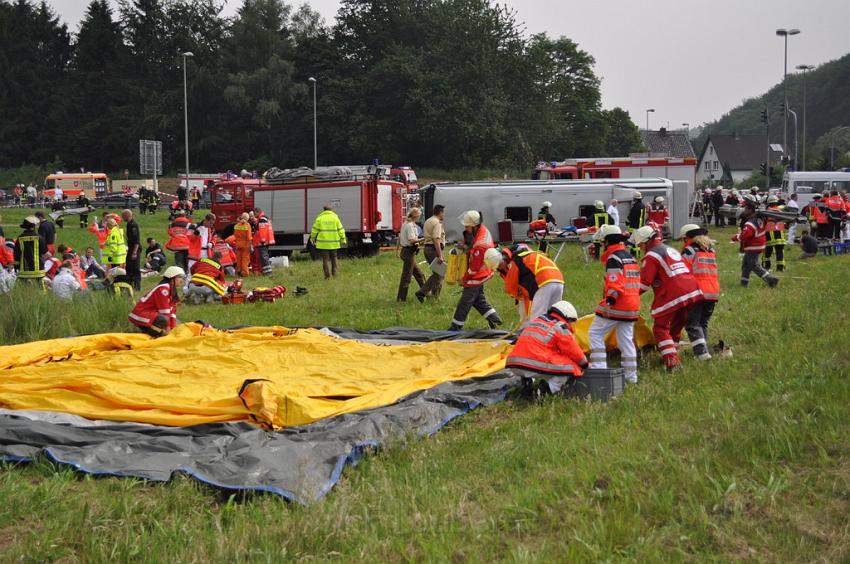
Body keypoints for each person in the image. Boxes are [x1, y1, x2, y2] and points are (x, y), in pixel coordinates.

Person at [629, 225, 704, 371]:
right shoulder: (670, 249)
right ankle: (674, 348)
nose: (641, 248)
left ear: (646, 242)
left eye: (641, 245)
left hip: (674, 292)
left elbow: (644, 283)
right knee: (676, 323)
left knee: (660, 329)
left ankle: (672, 362)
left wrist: (628, 295)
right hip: (692, 288)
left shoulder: (651, 256)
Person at [587, 225, 640, 384]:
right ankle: (631, 377)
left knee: (595, 332)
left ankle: (599, 368)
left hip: (618, 305)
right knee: (626, 341)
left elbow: (615, 283)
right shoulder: (630, 257)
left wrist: (609, 302)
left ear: (607, 242)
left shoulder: (613, 258)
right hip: (632, 306)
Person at [448, 210, 502, 331]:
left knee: (465, 302)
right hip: (484, 271)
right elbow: (473, 249)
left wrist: (464, 279)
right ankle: (495, 320)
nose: (466, 229)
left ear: (474, 226)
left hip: (479, 275)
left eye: (467, 227)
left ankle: (455, 327)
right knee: (478, 300)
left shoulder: (480, 245)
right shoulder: (482, 230)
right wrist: (466, 247)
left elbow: (474, 269)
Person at [485, 245, 564, 327]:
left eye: (500, 264)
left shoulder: (515, 261)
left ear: (503, 258)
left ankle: (533, 337)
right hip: (558, 278)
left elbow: (511, 287)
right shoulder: (524, 254)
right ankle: (556, 335)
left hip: (543, 281)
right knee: (554, 315)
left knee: (537, 318)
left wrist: (517, 294)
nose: (501, 267)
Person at [505, 300, 588, 378]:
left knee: (553, 359)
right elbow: (573, 351)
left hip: (513, 362)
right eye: (572, 321)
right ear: (568, 317)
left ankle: (527, 384)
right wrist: (585, 364)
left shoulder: (537, 321)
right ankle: (549, 388)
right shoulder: (560, 327)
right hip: (531, 364)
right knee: (572, 366)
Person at [679, 224, 720, 361]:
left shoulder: (690, 250)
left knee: (692, 324)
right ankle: (704, 351)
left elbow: (681, 271)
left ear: (687, 238)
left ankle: (702, 354)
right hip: (713, 292)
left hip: (697, 292)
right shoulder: (710, 250)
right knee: (703, 323)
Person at [732, 196, 779, 288]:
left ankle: (771, 279)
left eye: (745, 208)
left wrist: (735, 237)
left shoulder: (750, 223)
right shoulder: (759, 218)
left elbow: (745, 235)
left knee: (754, 265)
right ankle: (743, 283)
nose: (744, 210)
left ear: (750, 210)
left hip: (753, 246)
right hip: (758, 245)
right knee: (745, 265)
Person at [128, 266, 185, 337]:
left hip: (151, 314)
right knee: (163, 322)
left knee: (178, 324)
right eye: (180, 277)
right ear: (172, 277)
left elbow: (172, 311)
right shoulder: (163, 289)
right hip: (142, 315)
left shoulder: (172, 290)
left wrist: (172, 327)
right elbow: (164, 311)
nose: (182, 280)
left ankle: (156, 331)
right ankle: (149, 330)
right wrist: (168, 329)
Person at [416, 204, 446, 302]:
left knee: (437, 273)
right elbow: (436, 239)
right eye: (443, 212)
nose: (444, 215)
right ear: (440, 212)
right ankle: (431, 296)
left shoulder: (428, 221)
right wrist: (440, 255)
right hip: (433, 249)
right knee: (440, 274)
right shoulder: (437, 223)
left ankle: (425, 293)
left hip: (427, 248)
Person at [310, 202, 346, 280]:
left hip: (323, 244)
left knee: (325, 260)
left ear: (324, 210)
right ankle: (335, 275)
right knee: (334, 258)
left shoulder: (320, 218)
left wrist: (312, 238)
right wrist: (343, 239)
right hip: (334, 243)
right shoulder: (335, 218)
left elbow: (314, 230)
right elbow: (341, 229)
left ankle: (327, 277)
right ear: (331, 210)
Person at [396, 207, 426, 302]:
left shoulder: (406, 223)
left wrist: (397, 251)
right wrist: (423, 238)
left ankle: (425, 293)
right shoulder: (409, 225)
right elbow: (412, 240)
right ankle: (401, 299)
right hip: (408, 252)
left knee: (419, 274)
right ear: (416, 216)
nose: (419, 218)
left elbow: (399, 238)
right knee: (407, 277)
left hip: (408, 252)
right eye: (419, 216)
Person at [13, 215, 47, 285]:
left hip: (24, 270)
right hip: (38, 270)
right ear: (34, 226)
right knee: (41, 287)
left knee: (23, 288)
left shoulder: (19, 238)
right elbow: (44, 252)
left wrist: (16, 267)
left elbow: (16, 254)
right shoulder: (39, 237)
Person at [762, 195, 786, 272]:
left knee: (768, 251)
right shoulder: (781, 211)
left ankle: (766, 267)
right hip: (780, 233)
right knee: (779, 251)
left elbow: (763, 223)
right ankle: (780, 268)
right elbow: (787, 223)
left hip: (769, 233)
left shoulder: (766, 212)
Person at [120, 209, 141, 290]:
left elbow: (136, 241)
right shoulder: (129, 224)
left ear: (127, 215)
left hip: (135, 249)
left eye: (123, 216)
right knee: (129, 268)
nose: (122, 218)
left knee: (135, 268)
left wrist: (134, 253)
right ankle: (129, 285)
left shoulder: (133, 225)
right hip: (131, 248)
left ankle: (137, 287)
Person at [251, 209, 274, 276]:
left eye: (255, 214)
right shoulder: (265, 218)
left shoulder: (262, 219)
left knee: (263, 257)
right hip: (266, 240)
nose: (254, 216)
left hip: (262, 242)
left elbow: (262, 230)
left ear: (257, 212)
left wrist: (263, 240)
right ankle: (266, 272)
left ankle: (268, 273)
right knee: (264, 256)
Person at [233, 212, 253, 277]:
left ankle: (238, 271)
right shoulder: (247, 225)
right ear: (247, 218)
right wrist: (250, 245)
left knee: (238, 259)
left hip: (238, 245)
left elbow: (235, 235)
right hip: (245, 245)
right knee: (245, 259)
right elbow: (249, 237)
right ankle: (245, 273)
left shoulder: (237, 225)